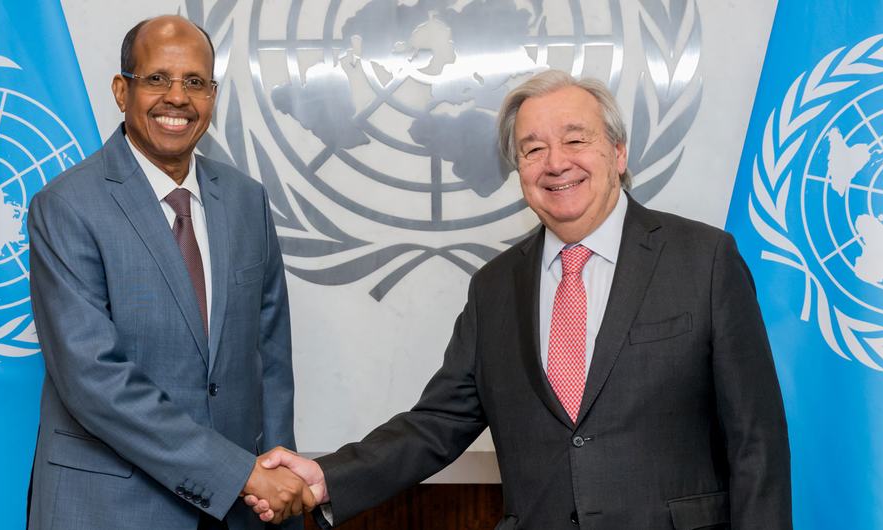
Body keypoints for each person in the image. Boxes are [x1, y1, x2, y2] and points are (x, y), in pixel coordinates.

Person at [249, 70, 792, 529]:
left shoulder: (704, 259)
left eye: (576, 139)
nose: (556, 163)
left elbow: (757, 444)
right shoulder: (494, 288)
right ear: (520, 172)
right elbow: (436, 424)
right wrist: (324, 478)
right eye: (533, 148)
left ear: (618, 151)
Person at [26, 15, 313, 529]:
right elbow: (95, 381)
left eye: (195, 83)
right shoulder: (66, 206)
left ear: (213, 96)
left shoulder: (247, 201)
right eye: (157, 78)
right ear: (122, 90)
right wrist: (242, 476)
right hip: (109, 510)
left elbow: (270, 359)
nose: (177, 98)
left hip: (242, 515)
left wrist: (276, 485)